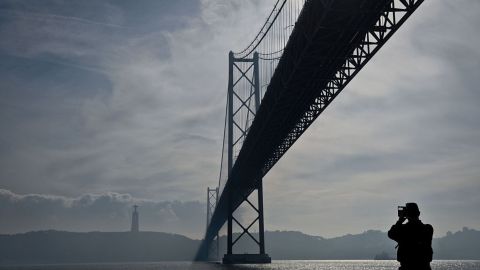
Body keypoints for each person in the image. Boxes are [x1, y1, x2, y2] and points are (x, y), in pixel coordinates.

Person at [388, 202, 433, 270]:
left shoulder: (402, 230)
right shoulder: (428, 228)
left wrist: (400, 221)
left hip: (406, 267)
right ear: (419, 213)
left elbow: (391, 234)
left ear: (406, 214)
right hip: (424, 267)